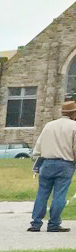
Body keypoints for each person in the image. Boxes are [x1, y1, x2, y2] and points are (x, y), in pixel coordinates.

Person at [27, 99, 76, 233]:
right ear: (74, 114)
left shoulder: (49, 125)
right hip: (65, 163)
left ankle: (35, 223)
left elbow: (38, 147)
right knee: (59, 195)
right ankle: (54, 223)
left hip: (47, 163)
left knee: (42, 194)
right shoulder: (74, 126)